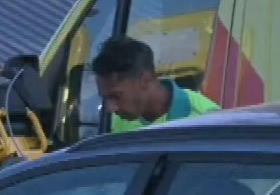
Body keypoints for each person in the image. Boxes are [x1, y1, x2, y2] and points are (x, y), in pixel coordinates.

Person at [91, 35, 220, 131]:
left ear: (145, 80)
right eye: (105, 98)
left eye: (116, 96)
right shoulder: (119, 121)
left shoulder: (207, 120)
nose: (111, 108)